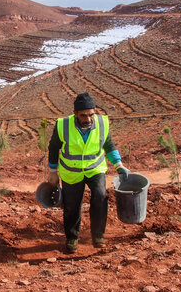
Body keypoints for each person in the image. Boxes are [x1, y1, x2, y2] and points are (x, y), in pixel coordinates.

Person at [47, 92, 129, 252]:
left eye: (91, 114)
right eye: (84, 116)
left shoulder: (102, 123)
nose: (89, 119)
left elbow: (109, 145)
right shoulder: (63, 125)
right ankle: (72, 238)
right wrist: (52, 171)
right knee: (71, 206)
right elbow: (54, 147)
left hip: (95, 169)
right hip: (72, 172)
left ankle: (98, 236)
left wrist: (119, 165)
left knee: (100, 197)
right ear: (75, 114)